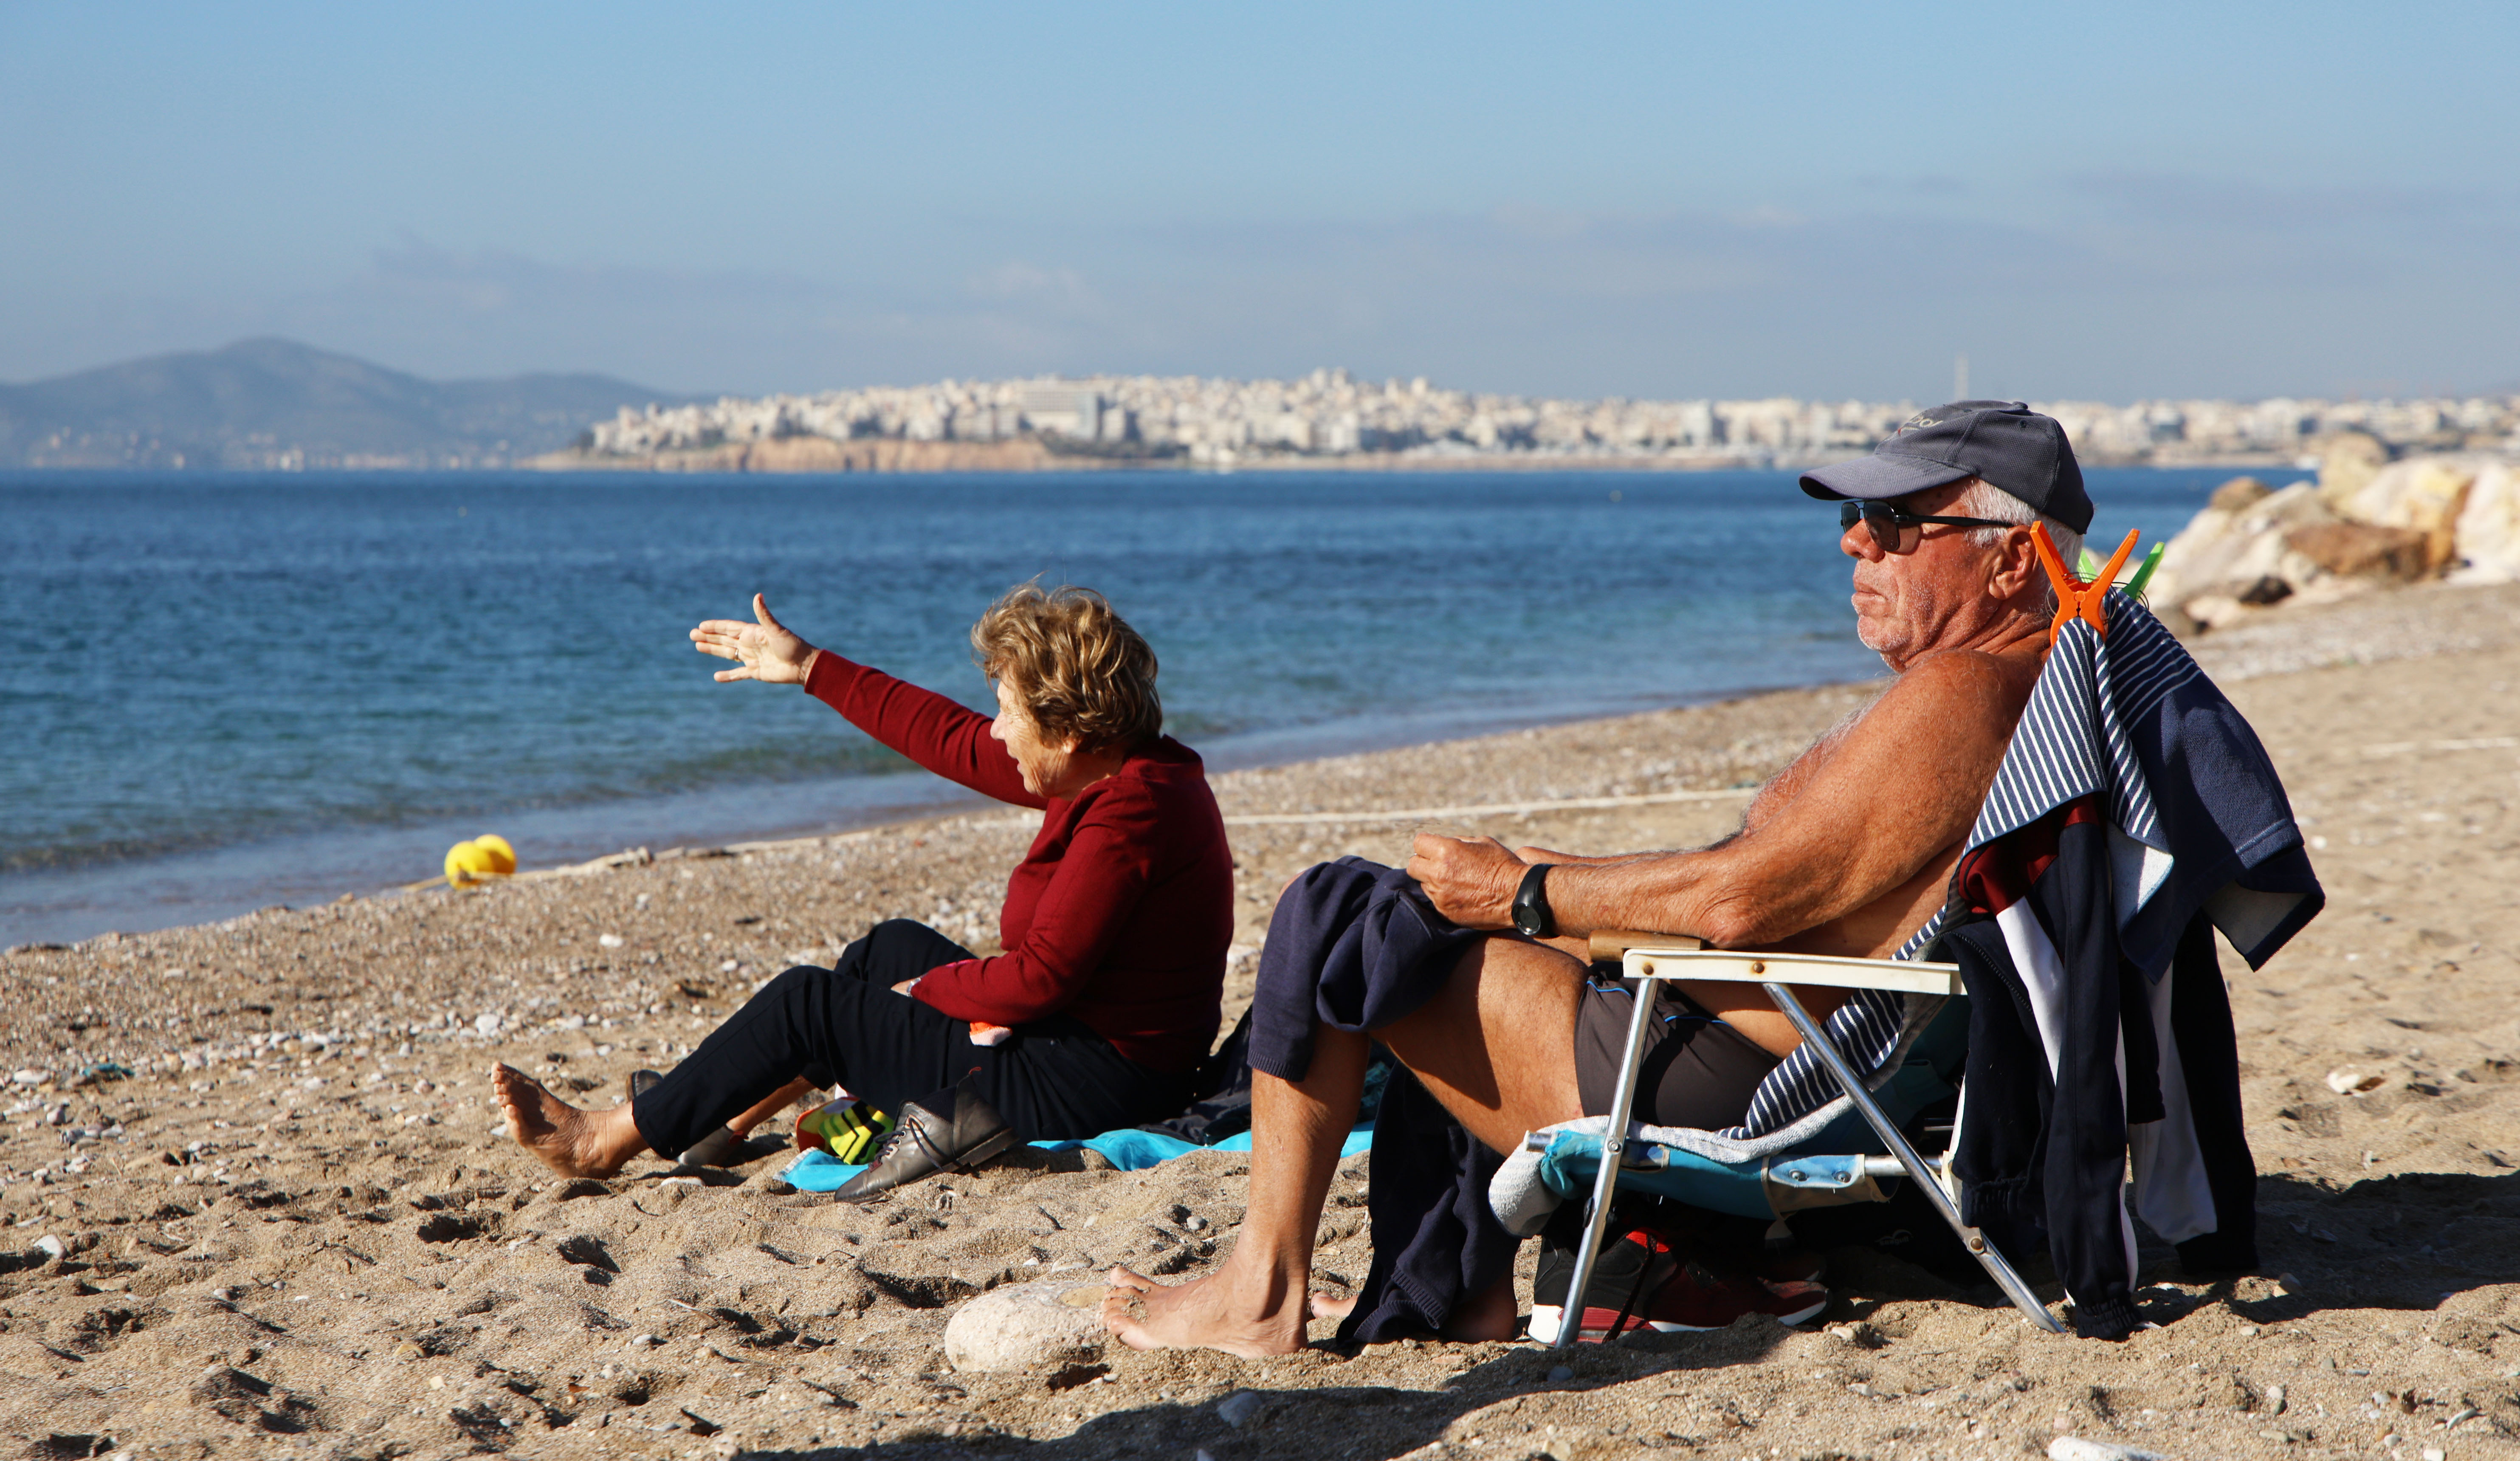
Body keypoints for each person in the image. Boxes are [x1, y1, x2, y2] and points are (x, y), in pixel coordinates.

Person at [1103, 400, 2092, 1354]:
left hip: (1701, 1066)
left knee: (1341, 914)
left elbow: (1738, 901)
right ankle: (1455, 1292)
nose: (1855, 543)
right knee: (1416, 927)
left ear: (2011, 559)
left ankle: (1261, 1289)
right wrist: (1550, 871)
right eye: (1855, 516)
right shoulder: (2029, 686)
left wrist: (1526, 896)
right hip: (1753, 1035)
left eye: (1896, 521)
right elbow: (1767, 887)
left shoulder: (1962, 694)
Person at [493, 583, 1235, 1200]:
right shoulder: (1118, 768)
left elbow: (1040, 977)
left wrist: (937, 991)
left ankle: (602, 1140)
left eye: (1010, 712)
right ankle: (724, 1119)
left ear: (1068, 732)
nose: (999, 731)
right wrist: (812, 667)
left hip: (1094, 1084)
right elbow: (951, 739)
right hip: (1077, 1043)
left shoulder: (1130, 812)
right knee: (889, 948)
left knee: (809, 1003)